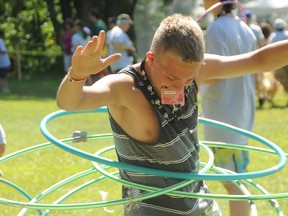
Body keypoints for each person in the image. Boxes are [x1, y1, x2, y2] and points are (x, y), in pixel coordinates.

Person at [56, 13, 288, 216]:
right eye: (172, 78)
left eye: (189, 78)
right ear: (151, 59)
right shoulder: (124, 88)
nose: (180, 87)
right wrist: (77, 74)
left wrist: (187, 80)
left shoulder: (197, 72)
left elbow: (258, 60)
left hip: (199, 206)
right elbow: (70, 102)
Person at [200, 1, 258, 215]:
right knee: (236, 176)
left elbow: (213, 72)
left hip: (225, 115)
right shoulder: (244, 27)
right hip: (240, 111)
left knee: (232, 180)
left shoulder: (217, 29)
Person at [268, 18, 288, 106]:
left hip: (277, 63)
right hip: (286, 61)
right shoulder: (287, 34)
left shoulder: (273, 36)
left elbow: (268, 49)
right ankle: (270, 98)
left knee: (277, 80)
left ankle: (270, 98)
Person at [0, 29, 11, 95]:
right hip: (1, 64)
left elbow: (3, 51)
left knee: (2, 77)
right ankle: (4, 90)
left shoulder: (0, 41)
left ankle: (6, 90)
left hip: (4, 64)